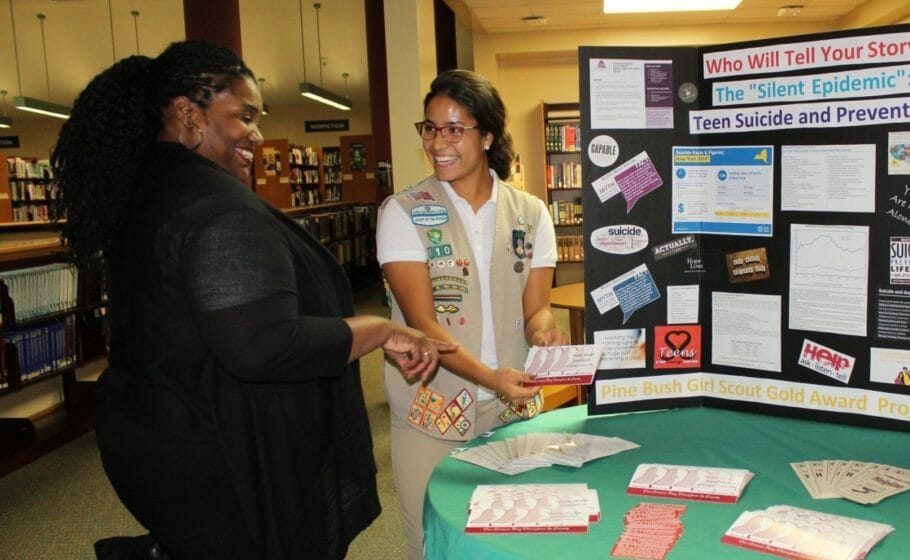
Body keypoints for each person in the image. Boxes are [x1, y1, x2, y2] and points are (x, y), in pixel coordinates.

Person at [51, 40, 454, 559]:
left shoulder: (152, 191)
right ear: (187, 113)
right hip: (205, 455)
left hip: (150, 431)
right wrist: (381, 329)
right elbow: (265, 345)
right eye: (245, 116)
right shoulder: (218, 210)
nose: (259, 135)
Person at [376, 68, 569, 560]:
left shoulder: (531, 213)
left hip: (512, 410)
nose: (438, 142)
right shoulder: (403, 211)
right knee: (432, 535)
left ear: (486, 136)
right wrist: (487, 375)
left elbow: (537, 309)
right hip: (430, 410)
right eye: (430, 128)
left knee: (516, 534)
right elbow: (422, 323)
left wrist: (544, 335)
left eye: (454, 129)